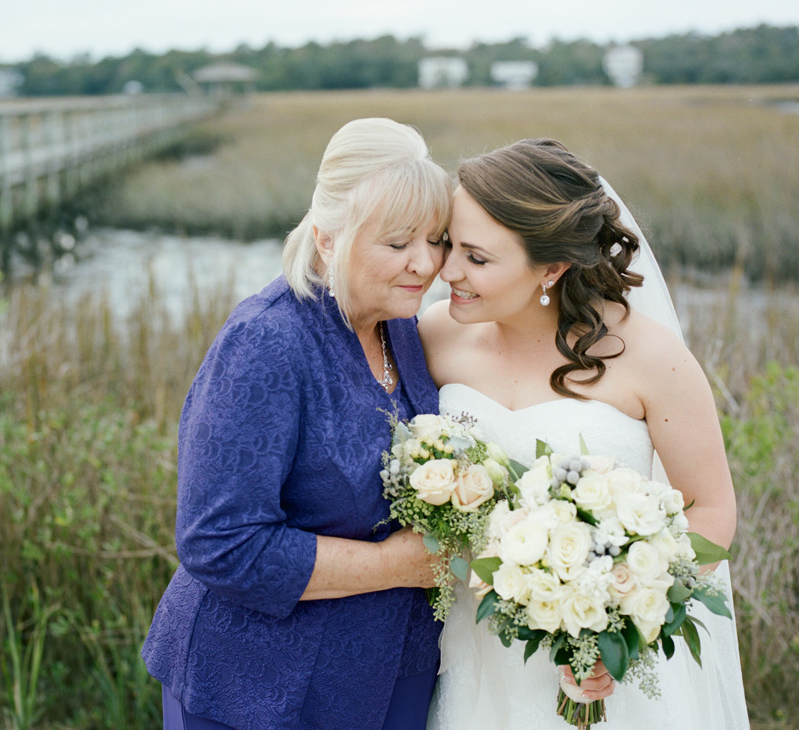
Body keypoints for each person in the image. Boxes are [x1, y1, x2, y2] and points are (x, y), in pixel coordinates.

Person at [419, 138, 749, 729]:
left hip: (601, 667)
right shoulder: (432, 336)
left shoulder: (651, 357)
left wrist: (618, 626)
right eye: (449, 244)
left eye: (477, 257)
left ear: (551, 266)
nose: (447, 271)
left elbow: (712, 509)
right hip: (471, 652)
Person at [142, 118, 454, 730]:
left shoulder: (404, 327)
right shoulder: (268, 341)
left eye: (437, 238)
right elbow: (220, 542)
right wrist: (401, 565)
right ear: (329, 238)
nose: (426, 263)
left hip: (391, 672)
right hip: (257, 689)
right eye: (398, 243)